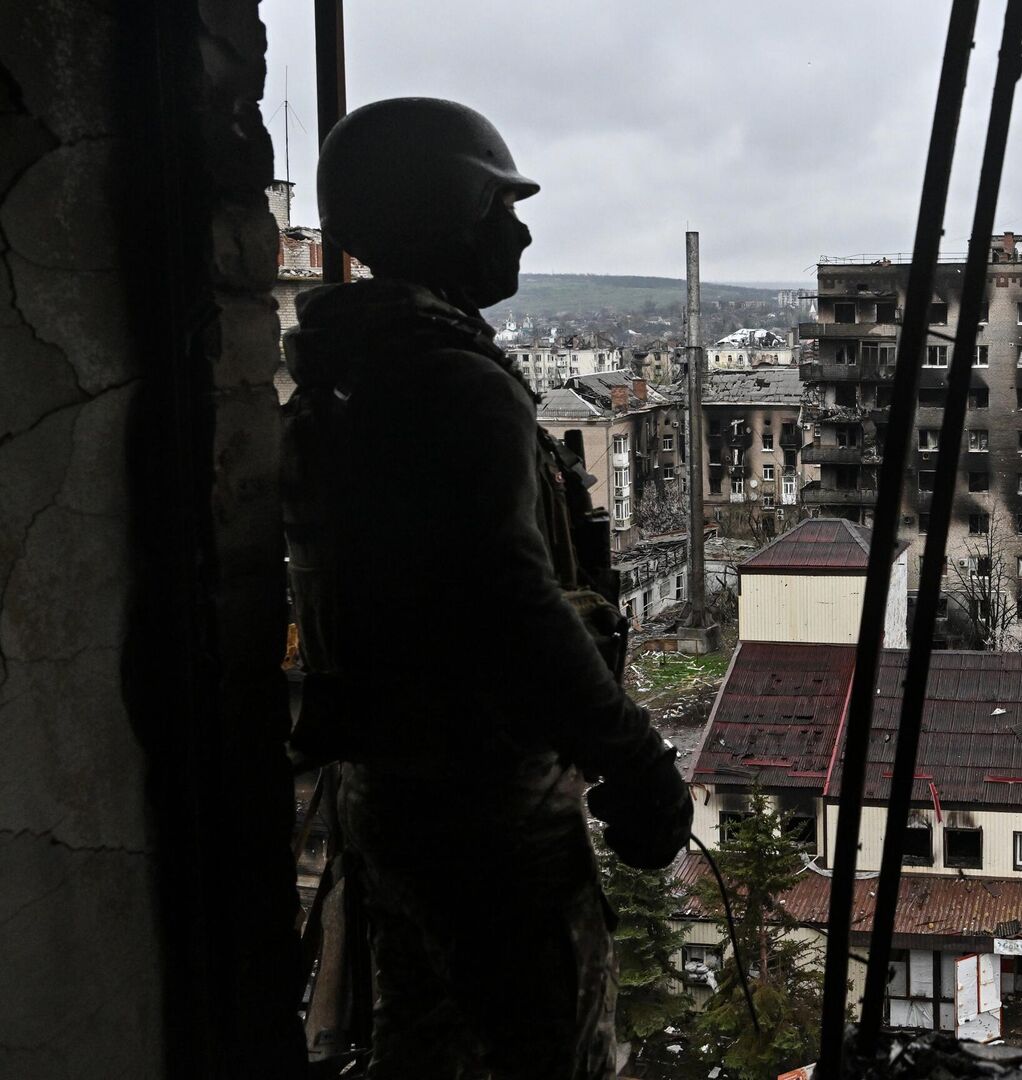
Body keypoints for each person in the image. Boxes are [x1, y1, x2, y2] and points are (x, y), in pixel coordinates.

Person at [281, 97, 691, 1079]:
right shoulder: (453, 387)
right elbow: (513, 604)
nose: (522, 227)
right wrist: (637, 762)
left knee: (427, 1046)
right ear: (448, 213)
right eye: (500, 205)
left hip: (397, 793)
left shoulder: (356, 378)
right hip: (486, 801)